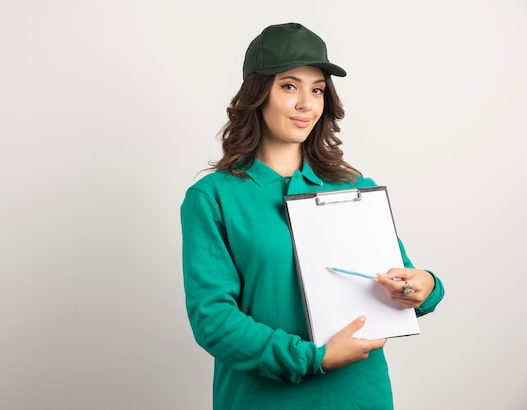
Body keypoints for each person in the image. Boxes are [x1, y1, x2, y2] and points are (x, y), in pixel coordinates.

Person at [180, 22, 445, 410]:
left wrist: (424, 284)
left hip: (360, 396)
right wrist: (312, 358)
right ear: (258, 93)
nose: (307, 103)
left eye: (317, 89)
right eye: (290, 86)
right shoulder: (212, 197)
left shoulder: (353, 187)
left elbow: (403, 282)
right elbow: (213, 319)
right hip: (262, 400)